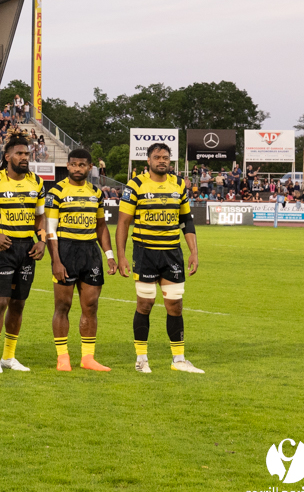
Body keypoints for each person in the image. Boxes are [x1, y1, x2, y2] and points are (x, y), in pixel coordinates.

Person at [115, 142, 203, 374]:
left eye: (165, 157)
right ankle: (141, 358)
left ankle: (179, 360)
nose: (162, 161)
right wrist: (121, 256)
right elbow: (123, 222)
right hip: (145, 253)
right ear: (149, 161)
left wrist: (193, 251)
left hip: (172, 253)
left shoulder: (179, 185)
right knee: (145, 304)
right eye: (157, 157)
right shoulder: (135, 185)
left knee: (175, 305)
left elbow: (187, 221)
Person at [0, 136, 46, 373]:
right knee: (0, 302)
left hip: (26, 249)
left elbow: (40, 216)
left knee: (18, 304)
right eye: (19, 154)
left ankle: (8, 356)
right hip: (1, 249)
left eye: (26, 154)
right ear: (7, 157)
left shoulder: (36, 181)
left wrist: (42, 240)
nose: (24, 157)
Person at [46, 148, 115, 372]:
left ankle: (87, 358)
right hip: (65, 250)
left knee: (91, 306)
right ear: (67, 166)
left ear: (90, 167)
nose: (77, 169)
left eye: (82, 165)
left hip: (90, 252)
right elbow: (50, 230)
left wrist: (109, 255)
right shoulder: (56, 192)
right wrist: (56, 260)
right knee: (63, 305)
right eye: (73, 164)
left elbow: (101, 226)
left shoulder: (96, 193)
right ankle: (62, 357)